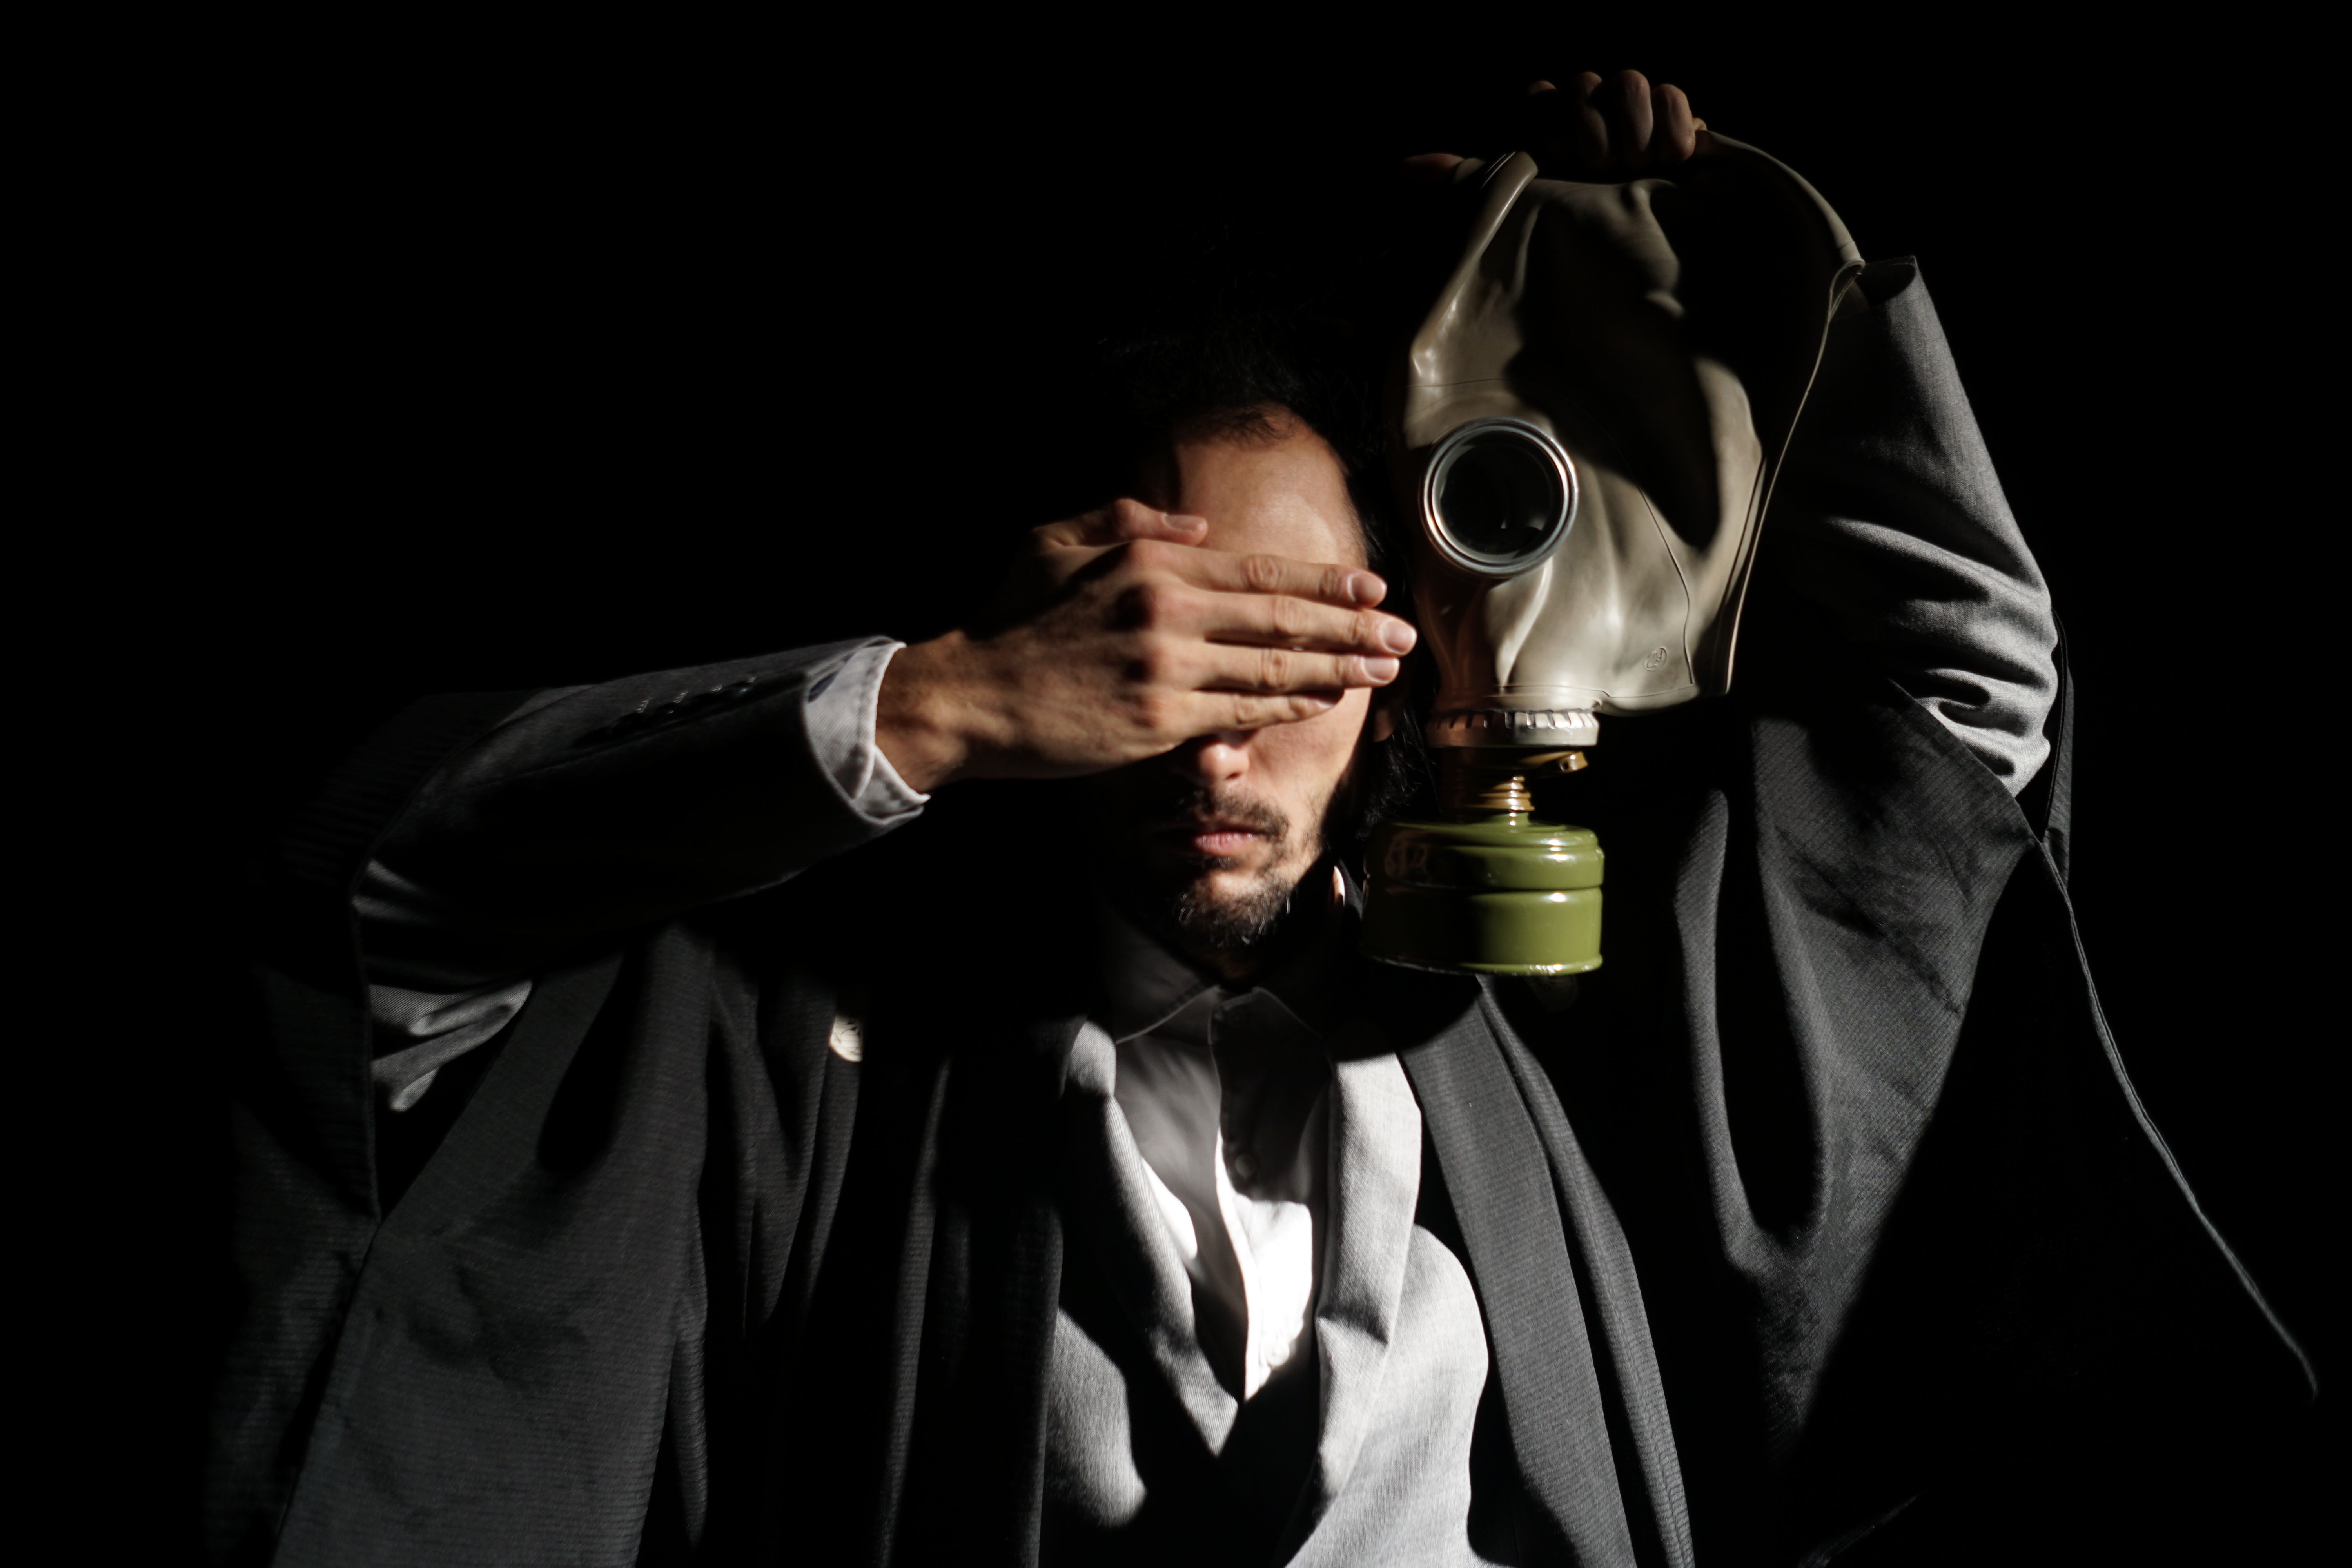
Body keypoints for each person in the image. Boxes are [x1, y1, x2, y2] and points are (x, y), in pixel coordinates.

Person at [210, 73, 2309, 1566]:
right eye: (1154, 660)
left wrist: (1748, 293)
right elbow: (375, 914)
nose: (1215, 744)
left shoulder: (1548, 1028)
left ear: (1403, 660)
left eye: (1287, 654)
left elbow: (1957, 717)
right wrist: (936, 704)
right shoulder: (792, 1050)